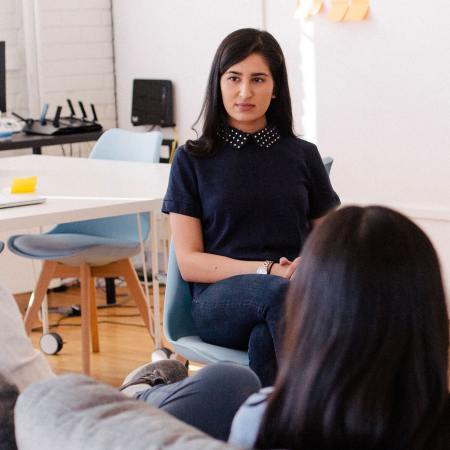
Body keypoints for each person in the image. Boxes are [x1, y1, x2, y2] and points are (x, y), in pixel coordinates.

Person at [162, 28, 340, 386]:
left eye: (258, 79)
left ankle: (268, 418)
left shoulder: (303, 155)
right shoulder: (191, 159)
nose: (245, 92)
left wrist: (308, 263)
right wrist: (268, 270)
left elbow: (334, 241)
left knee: (265, 337)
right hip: (218, 303)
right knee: (280, 296)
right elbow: (190, 262)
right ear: (218, 84)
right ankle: (330, 405)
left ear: (275, 88)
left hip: (288, 297)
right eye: (234, 78)